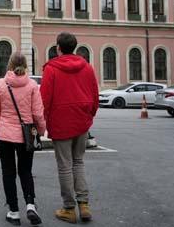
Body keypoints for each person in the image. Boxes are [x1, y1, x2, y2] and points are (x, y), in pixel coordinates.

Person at [40, 32, 99, 224]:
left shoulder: (52, 69)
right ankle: (84, 205)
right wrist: (89, 116)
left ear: (58, 48)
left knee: (65, 165)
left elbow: (44, 100)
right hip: (81, 121)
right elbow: (94, 96)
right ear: (74, 47)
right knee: (78, 162)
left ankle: (69, 208)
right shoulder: (87, 67)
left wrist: (43, 123)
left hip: (61, 122)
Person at [0, 52, 46, 226]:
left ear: (9, 65)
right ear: (26, 65)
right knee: (25, 171)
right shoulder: (32, 86)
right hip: (26, 135)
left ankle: (13, 211)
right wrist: (41, 131)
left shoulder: (0, 85)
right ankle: (30, 204)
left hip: (4, 134)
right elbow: (38, 114)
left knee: (8, 173)